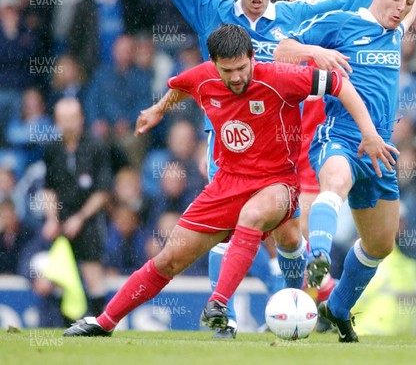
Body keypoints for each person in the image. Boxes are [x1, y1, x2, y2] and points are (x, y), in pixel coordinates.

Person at [158, 0, 416, 339]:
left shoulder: (291, 15)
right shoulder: (212, 12)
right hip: (229, 140)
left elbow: (345, 4)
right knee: (229, 226)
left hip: (282, 142)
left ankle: (295, 304)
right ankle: (222, 317)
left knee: (288, 233)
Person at [63, 24, 395, 337]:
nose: (236, 77)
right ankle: (104, 322)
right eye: (227, 71)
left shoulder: (280, 77)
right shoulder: (204, 77)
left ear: (252, 57)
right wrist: (158, 110)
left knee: (253, 217)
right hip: (226, 184)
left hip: (277, 183)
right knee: (168, 259)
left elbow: (338, 84)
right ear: (214, 64)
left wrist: (368, 132)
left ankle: (219, 303)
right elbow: (180, 87)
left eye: (241, 68)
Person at [274, 0, 416, 342]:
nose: (401, 8)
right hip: (340, 137)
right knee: (336, 182)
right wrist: (317, 53)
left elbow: (409, 6)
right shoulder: (342, 22)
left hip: (380, 151)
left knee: (381, 243)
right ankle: (320, 256)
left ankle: (339, 307)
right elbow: (282, 48)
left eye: (407, 2)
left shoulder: (395, 33)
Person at [42, 98, 113, 320]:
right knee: (63, 276)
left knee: (93, 273)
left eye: (72, 118)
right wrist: (52, 218)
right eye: (63, 119)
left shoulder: (96, 147)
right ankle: (68, 325)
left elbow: (103, 192)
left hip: (89, 220)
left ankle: (99, 322)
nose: (68, 124)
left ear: (82, 119)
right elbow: (49, 189)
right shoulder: (53, 149)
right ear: (56, 121)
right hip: (62, 222)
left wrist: (80, 218)